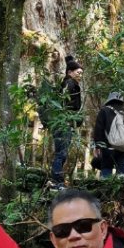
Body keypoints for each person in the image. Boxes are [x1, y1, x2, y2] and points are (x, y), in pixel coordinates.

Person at [49, 57, 84, 188]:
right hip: (63, 123)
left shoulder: (71, 84)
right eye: (78, 73)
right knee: (61, 153)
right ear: (70, 72)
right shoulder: (69, 84)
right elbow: (64, 103)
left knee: (61, 153)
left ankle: (57, 180)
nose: (80, 76)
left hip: (64, 122)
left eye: (81, 73)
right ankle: (57, 181)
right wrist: (70, 119)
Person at [93, 91, 124, 178]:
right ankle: (121, 190)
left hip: (109, 147)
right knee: (122, 173)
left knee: (106, 168)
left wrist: (98, 145)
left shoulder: (104, 111)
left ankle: (105, 190)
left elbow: (99, 129)